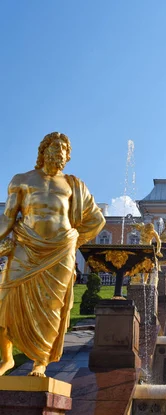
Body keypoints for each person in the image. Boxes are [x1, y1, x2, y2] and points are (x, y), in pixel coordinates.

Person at [0, 132, 105, 376]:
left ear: (68, 157)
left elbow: (97, 220)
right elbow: (7, 219)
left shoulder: (72, 185)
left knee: (51, 307)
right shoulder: (22, 180)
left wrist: (75, 239)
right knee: (5, 301)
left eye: (64, 150)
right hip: (26, 246)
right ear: (43, 150)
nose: (60, 152)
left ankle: (40, 362)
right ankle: (7, 358)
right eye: (55, 147)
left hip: (60, 251)